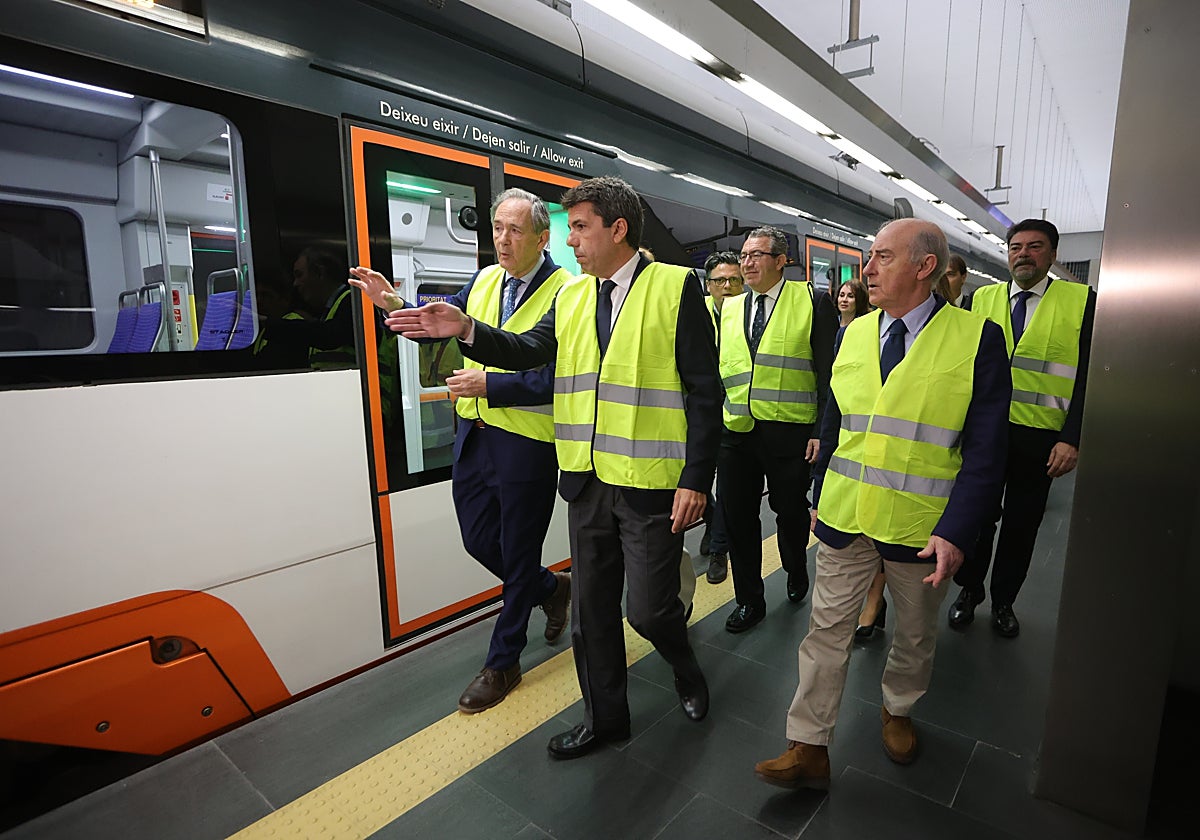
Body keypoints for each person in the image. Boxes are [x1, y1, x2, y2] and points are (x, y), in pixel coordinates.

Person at [385, 176, 722, 759]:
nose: (573, 244)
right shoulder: (572, 296)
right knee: (592, 615)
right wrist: (466, 329)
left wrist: (695, 478)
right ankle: (605, 720)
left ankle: (685, 665)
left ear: (618, 230)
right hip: (585, 479)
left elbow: (703, 391)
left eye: (582, 229)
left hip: (648, 484)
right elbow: (529, 351)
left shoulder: (675, 287)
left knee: (646, 610)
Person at [755, 219, 1010, 788]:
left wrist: (958, 530)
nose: (866, 269)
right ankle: (808, 744)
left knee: (914, 635)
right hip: (847, 516)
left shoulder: (977, 339)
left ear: (925, 267)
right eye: (870, 257)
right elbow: (836, 416)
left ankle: (898, 709)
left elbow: (988, 450)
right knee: (825, 630)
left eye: (883, 258)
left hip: (922, 526)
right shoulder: (854, 333)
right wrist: (821, 491)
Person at [348, 188, 572, 713]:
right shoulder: (485, 280)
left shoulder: (567, 293)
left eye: (515, 230)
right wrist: (396, 305)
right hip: (474, 435)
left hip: (527, 440)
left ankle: (503, 661)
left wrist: (491, 387)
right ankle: (551, 589)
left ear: (543, 237)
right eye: (497, 227)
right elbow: (442, 332)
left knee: (516, 553)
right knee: (478, 540)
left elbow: (555, 375)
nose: (502, 239)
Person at [948, 219, 1095, 638]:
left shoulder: (1082, 301)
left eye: (1035, 246)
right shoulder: (981, 299)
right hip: (984, 435)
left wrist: (1072, 437)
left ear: (1052, 255)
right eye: (1015, 247)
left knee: (1022, 524)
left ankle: (1003, 601)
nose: (1023, 254)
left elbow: (1088, 375)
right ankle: (969, 592)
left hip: (1042, 437)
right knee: (978, 517)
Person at [718, 226, 836, 633]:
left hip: (790, 432)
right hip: (736, 432)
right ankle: (749, 600)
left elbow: (826, 374)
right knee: (738, 518)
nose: (747, 262)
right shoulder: (729, 308)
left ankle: (795, 567)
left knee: (789, 511)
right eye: (744, 255)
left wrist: (821, 431)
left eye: (757, 255)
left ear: (781, 260)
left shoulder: (812, 301)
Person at [698, 250, 743, 584]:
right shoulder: (693, 311)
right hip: (698, 412)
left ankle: (719, 548)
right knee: (697, 479)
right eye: (720, 280)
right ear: (708, 284)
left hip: (734, 415)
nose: (727, 287)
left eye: (734, 280)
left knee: (727, 485)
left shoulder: (750, 316)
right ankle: (712, 521)